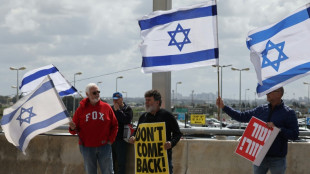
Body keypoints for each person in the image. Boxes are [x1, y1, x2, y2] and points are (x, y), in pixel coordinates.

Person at [216, 87, 299, 174]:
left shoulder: (289, 113)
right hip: (259, 157)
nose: (267, 93)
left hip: (277, 159)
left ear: (279, 94)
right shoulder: (261, 110)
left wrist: (278, 129)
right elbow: (241, 116)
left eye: (270, 91)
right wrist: (224, 107)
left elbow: (294, 134)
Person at [128, 89, 182, 174]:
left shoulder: (167, 116)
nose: (146, 102)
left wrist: (171, 143)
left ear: (157, 102)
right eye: (146, 100)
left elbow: (177, 134)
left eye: (149, 100)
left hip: (163, 160)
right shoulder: (143, 117)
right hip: (146, 162)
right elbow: (137, 132)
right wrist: (132, 137)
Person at [69, 83, 118, 174]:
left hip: (104, 146)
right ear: (87, 94)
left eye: (98, 92)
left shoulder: (106, 107)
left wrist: (111, 140)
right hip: (87, 147)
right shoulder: (80, 109)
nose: (97, 94)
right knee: (90, 172)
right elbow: (74, 130)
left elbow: (115, 125)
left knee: (108, 171)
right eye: (94, 93)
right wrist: (72, 128)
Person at [111, 92, 133, 174]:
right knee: (111, 163)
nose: (116, 101)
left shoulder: (127, 109)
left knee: (121, 163)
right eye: (114, 100)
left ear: (122, 99)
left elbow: (126, 120)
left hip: (122, 140)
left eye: (117, 99)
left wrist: (118, 111)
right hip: (112, 139)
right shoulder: (110, 109)